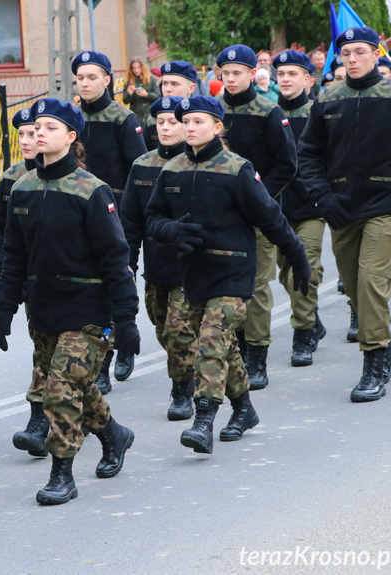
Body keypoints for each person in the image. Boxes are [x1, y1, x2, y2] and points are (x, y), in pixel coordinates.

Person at [0, 97, 139, 504]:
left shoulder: (91, 190)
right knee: (77, 385)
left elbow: (115, 258)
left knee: (58, 391)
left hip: (90, 313)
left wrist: (125, 320)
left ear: (71, 137)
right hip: (43, 310)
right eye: (37, 126)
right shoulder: (22, 188)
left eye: (50, 127)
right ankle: (114, 435)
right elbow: (14, 254)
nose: (40, 132)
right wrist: (4, 306)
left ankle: (62, 474)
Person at [147, 95, 310, 454]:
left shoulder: (237, 168)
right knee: (224, 348)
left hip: (233, 273)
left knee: (210, 340)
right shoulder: (172, 169)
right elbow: (152, 218)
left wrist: (297, 255)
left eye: (198, 121)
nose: (190, 128)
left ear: (218, 127)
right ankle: (244, 409)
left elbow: (269, 217)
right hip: (193, 274)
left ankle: (204, 419)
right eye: (186, 122)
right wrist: (170, 230)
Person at [298, 26, 391, 403]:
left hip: (388, 206)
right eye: (347, 54)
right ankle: (386, 344)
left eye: (361, 52)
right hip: (341, 207)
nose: (354, 60)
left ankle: (374, 360)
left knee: (372, 281)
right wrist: (322, 196)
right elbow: (308, 153)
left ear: (376, 53)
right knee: (354, 288)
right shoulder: (327, 98)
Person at [217, 44, 298, 390]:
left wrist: (260, 198)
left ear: (253, 73)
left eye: (238, 73)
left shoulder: (268, 110)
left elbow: (286, 164)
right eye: (226, 73)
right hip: (219, 218)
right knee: (224, 288)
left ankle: (258, 355)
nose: (231, 79)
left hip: (258, 215)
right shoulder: (212, 111)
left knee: (256, 286)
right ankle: (234, 351)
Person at [73, 50, 147, 388]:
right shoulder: (70, 120)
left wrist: (133, 217)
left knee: (118, 284)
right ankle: (102, 359)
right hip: (79, 217)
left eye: (92, 77)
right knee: (92, 293)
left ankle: (125, 344)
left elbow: (139, 171)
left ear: (107, 80)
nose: (85, 83)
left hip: (117, 214)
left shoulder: (123, 119)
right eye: (80, 77)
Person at [121, 96, 196, 420]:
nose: (165, 128)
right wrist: (128, 264)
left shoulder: (197, 163)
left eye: (173, 122)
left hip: (191, 267)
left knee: (179, 331)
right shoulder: (142, 166)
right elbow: (131, 223)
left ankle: (182, 391)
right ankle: (190, 370)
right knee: (163, 328)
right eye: (160, 122)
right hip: (156, 267)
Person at [0, 108, 51, 456]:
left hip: (72, 287)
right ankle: (47, 420)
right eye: (21, 135)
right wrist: (4, 270)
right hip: (30, 284)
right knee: (45, 353)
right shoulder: (12, 177)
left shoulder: (77, 177)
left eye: (33, 133)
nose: (27, 141)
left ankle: (43, 420)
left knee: (62, 362)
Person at [271, 51, 328, 366]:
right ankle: (313, 318)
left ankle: (303, 332)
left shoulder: (318, 113)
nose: (286, 79)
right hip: (276, 210)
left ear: (308, 79)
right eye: (281, 74)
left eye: (293, 74)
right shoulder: (269, 113)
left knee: (305, 269)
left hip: (311, 206)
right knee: (286, 275)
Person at [141, 61, 197, 151]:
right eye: (164, 83)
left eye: (175, 84)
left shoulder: (201, 117)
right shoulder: (153, 119)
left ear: (191, 88)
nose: (168, 89)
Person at [122, 56, 162, 121]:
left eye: (138, 67)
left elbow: (158, 96)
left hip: (149, 115)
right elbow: (125, 101)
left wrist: (146, 94)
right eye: (134, 68)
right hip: (136, 116)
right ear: (131, 69)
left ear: (142, 67)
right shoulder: (129, 81)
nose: (136, 70)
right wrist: (129, 93)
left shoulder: (151, 79)